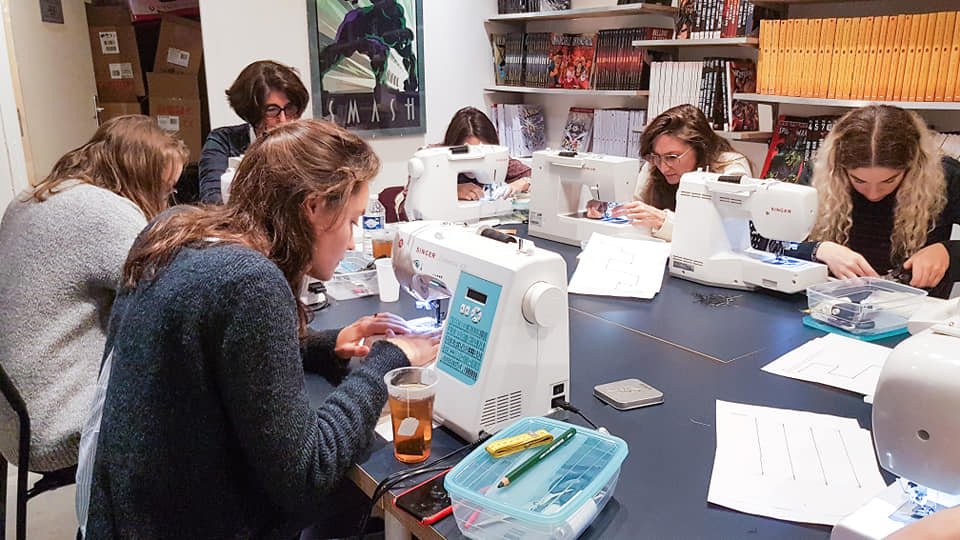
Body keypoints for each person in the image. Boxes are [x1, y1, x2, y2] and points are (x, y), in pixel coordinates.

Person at [81, 119, 441, 538]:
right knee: (357, 498)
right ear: (313, 207)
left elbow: (213, 352)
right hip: (187, 525)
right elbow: (307, 473)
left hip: (125, 518)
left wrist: (323, 346)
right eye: (352, 220)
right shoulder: (251, 281)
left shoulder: (175, 231)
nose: (351, 238)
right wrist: (390, 362)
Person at [0, 115, 187, 473]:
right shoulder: (104, 213)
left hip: (14, 423)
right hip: (62, 427)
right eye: (164, 190)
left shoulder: (32, 197)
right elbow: (174, 291)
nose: (166, 201)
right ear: (140, 178)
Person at [780, 105, 960, 297]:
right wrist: (818, 250)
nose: (873, 194)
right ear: (839, 167)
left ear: (913, 166)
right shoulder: (820, 175)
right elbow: (774, 242)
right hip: (831, 305)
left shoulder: (946, 177)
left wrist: (948, 253)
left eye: (889, 180)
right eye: (858, 180)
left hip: (916, 313)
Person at [611, 104, 752, 241]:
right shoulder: (655, 163)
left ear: (700, 148)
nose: (664, 167)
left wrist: (663, 221)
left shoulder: (731, 169)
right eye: (657, 157)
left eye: (672, 157)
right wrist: (607, 207)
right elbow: (636, 210)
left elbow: (721, 235)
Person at [392, 106, 532, 220]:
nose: (477, 161)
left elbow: (537, 175)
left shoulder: (495, 159)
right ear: (453, 145)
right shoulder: (431, 159)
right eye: (471, 153)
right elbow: (406, 210)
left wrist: (523, 183)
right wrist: (452, 191)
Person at [198, 60, 309, 204]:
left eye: (289, 108)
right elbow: (213, 201)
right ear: (252, 113)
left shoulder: (309, 143)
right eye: (272, 110)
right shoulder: (224, 141)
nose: (283, 120)